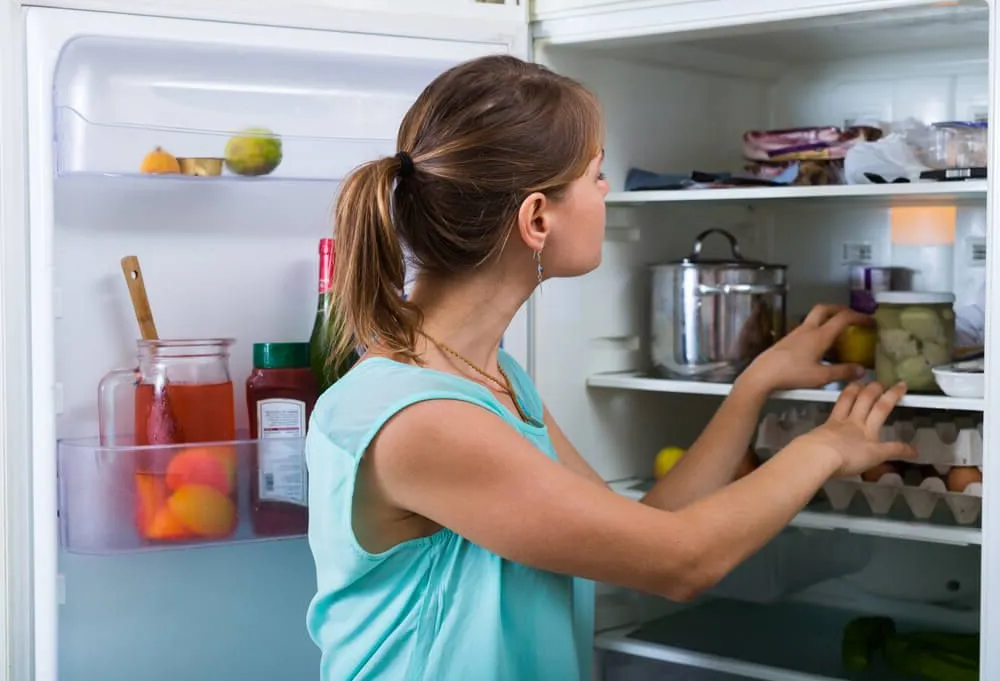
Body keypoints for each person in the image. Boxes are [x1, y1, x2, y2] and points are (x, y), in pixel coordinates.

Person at [304, 54, 916, 681]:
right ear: (538, 218)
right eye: (596, 175)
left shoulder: (490, 377)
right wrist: (827, 449)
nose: (607, 193)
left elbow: (649, 530)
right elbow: (683, 562)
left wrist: (753, 384)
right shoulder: (421, 421)